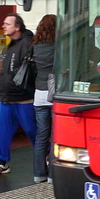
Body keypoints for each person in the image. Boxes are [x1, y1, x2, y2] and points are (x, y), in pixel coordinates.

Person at [0, 13, 37, 176]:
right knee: (1, 131)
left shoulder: (27, 44)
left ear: (17, 27)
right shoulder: (12, 44)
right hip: (8, 98)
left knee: (32, 130)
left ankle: (46, 156)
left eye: (7, 24)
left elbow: (30, 70)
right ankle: (1, 162)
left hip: (24, 99)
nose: (3, 26)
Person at [32, 14, 56, 184]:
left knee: (41, 136)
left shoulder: (35, 46)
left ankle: (38, 174)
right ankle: (52, 175)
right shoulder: (58, 46)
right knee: (56, 136)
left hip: (39, 95)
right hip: (55, 94)